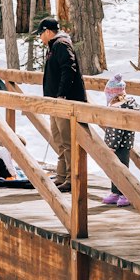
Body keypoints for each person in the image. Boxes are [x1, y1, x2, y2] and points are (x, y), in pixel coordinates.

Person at [37, 16, 87, 192]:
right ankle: (61, 175)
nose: (40, 38)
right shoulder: (54, 46)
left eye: (41, 34)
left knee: (67, 141)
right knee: (58, 139)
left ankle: (71, 178)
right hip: (55, 101)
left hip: (64, 101)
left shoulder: (61, 45)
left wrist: (62, 94)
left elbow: (69, 68)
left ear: (48, 32)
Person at [102, 74, 140, 206]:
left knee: (121, 168)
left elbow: (116, 130)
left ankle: (126, 193)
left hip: (119, 145)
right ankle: (116, 192)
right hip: (122, 143)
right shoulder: (125, 105)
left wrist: (111, 145)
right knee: (115, 168)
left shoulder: (118, 108)